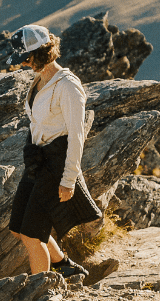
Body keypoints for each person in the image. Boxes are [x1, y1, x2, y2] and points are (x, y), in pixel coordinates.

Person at [7, 24, 118, 286]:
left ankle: (41, 293)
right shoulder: (39, 81)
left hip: (55, 164)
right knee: (17, 228)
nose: (23, 64)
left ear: (41, 53)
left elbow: (77, 136)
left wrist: (68, 179)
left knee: (33, 235)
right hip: (36, 161)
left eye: (26, 58)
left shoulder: (67, 86)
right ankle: (63, 265)